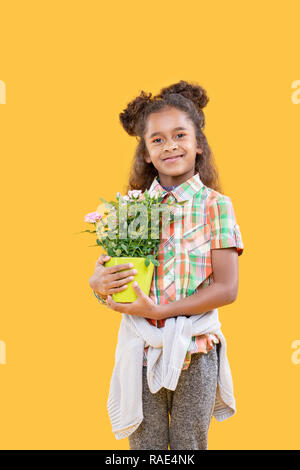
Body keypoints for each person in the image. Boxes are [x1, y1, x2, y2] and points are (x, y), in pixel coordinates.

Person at [89, 80, 244, 450]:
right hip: (141, 351)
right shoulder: (133, 208)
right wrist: (98, 285)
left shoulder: (215, 206)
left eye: (179, 135)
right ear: (145, 152)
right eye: (157, 139)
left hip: (196, 349)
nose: (170, 145)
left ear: (199, 145)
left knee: (190, 445)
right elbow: (121, 278)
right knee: (146, 446)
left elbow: (227, 288)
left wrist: (160, 310)